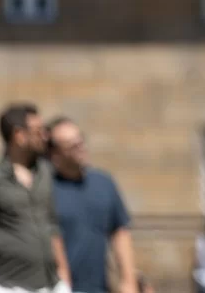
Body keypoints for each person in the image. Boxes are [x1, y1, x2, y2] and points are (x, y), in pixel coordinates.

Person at [0, 104, 71, 293]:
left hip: (53, 284)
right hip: (11, 286)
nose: (45, 136)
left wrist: (64, 276)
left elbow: (52, 226)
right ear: (19, 135)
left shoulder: (45, 173)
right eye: (38, 131)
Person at [46, 117, 137, 293]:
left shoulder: (103, 183)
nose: (80, 147)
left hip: (100, 287)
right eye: (72, 145)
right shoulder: (46, 189)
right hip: (60, 288)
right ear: (55, 154)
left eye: (81, 140)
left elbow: (120, 231)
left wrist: (128, 280)